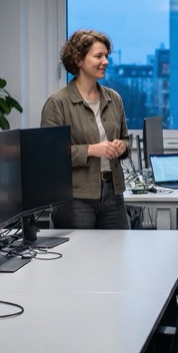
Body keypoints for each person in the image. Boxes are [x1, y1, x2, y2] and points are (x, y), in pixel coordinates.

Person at [40, 29, 132, 229]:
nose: (105, 61)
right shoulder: (58, 103)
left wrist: (122, 146)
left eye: (106, 56)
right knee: (80, 258)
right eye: (98, 56)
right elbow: (49, 155)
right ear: (78, 60)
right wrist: (91, 150)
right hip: (76, 198)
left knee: (118, 253)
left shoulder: (114, 98)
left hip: (113, 193)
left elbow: (126, 138)